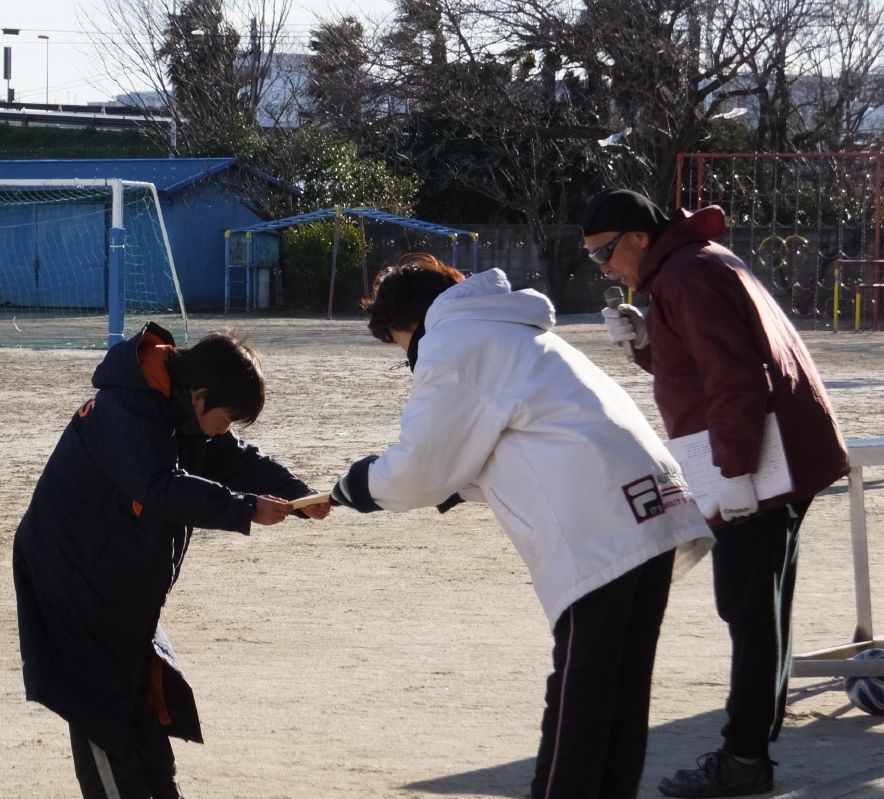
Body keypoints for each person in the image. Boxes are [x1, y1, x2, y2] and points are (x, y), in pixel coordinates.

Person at [329, 254, 712, 799]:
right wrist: (449, 488)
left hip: (600, 527)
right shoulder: (511, 329)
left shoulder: (453, 341)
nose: (407, 357)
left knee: (580, 694)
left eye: (399, 343)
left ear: (410, 322)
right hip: (653, 507)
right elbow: (516, 441)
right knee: (622, 689)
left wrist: (359, 485)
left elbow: (421, 467)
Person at [582, 189, 849, 797]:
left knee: (748, 609)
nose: (602, 267)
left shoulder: (685, 276)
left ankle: (745, 757)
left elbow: (735, 379)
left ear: (639, 239)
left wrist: (735, 472)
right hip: (776, 453)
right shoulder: (694, 262)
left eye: (604, 253)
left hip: (759, 461)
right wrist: (645, 341)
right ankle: (751, 747)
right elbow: (700, 366)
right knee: (761, 606)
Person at [12, 322, 330, 799]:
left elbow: (236, 461)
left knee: (145, 721)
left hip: (118, 593)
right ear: (200, 396)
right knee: (103, 720)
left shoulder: (180, 412)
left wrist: (298, 494)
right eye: (226, 418)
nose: (224, 430)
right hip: (72, 590)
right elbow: (160, 487)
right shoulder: (128, 409)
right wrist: (246, 509)